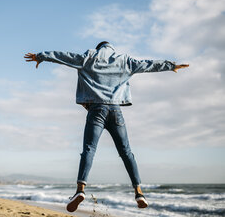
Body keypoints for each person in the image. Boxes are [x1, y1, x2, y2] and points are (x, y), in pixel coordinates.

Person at [24, 41, 189, 212]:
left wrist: (41, 56)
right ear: (112, 49)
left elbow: (64, 57)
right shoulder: (125, 61)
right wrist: (171, 66)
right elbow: (147, 65)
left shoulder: (88, 58)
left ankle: (80, 190)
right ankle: (139, 192)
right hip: (116, 111)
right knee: (126, 152)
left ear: (98, 49)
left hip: (96, 110)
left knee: (89, 149)